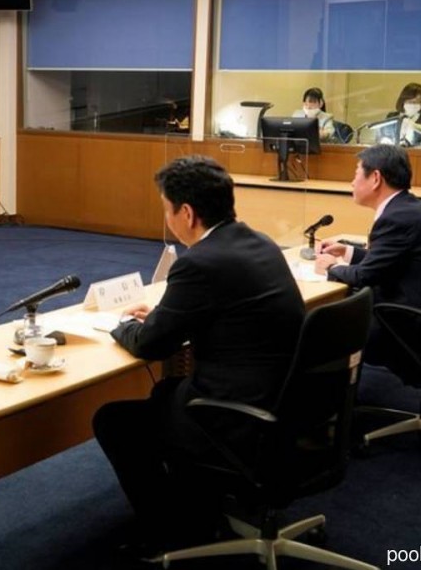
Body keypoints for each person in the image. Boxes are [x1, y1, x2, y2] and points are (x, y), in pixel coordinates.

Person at [92, 155, 305, 555]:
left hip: (240, 417)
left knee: (114, 421)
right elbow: (223, 310)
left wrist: (121, 325)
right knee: (164, 392)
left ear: (187, 213)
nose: (167, 219)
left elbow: (151, 345)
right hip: (284, 402)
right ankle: (197, 506)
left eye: (166, 209)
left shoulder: (200, 263)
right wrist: (166, 316)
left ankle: (167, 531)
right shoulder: (259, 242)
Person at [314, 145, 421, 377]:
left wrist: (331, 267)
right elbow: (389, 263)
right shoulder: (408, 208)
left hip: (411, 325)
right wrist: (348, 252)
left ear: (375, 178)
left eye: (355, 174)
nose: (351, 183)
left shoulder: (396, 218)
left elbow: (365, 276)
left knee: (321, 322)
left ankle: (334, 395)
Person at [385, 82, 421, 147]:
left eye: (417, 102)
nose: (413, 104)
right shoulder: (391, 117)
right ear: (403, 101)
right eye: (410, 101)